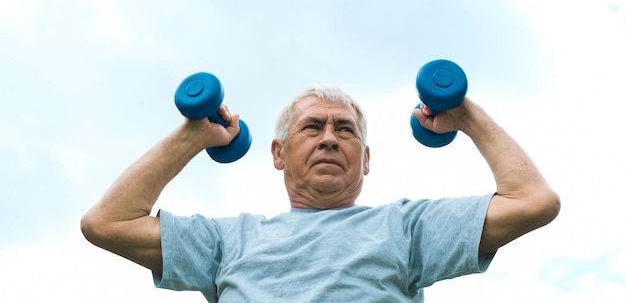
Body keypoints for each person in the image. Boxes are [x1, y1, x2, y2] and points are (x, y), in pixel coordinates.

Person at [81, 85, 560, 302]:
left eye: (345, 130)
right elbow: (107, 224)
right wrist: (191, 137)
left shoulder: (405, 229)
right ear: (278, 154)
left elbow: (532, 202)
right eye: (312, 127)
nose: (329, 137)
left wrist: (464, 113)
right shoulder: (228, 242)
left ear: (366, 160)